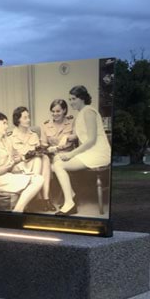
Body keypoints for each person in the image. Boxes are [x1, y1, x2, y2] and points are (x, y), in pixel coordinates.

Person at [52, 85, 111, 216]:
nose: (71, 102)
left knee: (59, 164)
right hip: (90, 151)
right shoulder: (81, 113)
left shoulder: (89, 111)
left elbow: (91, 140)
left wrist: (71, 154)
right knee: (56, 159)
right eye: (70, 99)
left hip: (98, 153)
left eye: (73, 99)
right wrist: (68, 137)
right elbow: (82, 135)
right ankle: (72, 195)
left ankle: (70, 203)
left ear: (82, 98)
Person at [0, 113, 43, 213]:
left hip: (7, 174)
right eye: (4, 123)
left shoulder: (5, 141)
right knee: (39, 179)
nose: (7, 126)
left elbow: (12, 160)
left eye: (7, 123)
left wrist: (25, 156)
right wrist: (10, 166)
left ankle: (25, 205)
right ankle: (18, 211)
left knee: (37, 163)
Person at [38, 99, 76, 212]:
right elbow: (43, 143)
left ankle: (69, 197)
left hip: (68, 155)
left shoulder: (71, 122)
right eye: (53, 111)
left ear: (64, 110)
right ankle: (72, 195)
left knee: (56, 165)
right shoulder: (45, 125)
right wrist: (46, 147)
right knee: (49, 165)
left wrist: (64, 141)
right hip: (52, 155)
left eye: (58, 111)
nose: (55, 114)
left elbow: (76, 136)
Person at [5, 106, 42, 176]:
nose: (28, 120)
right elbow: (9, 158)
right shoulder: (10, 137)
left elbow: (38, 153)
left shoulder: (34, 135)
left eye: (28, 117)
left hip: (32, 163)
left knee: (38, 160)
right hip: (18, 166)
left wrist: (22, 157)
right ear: (17, 120)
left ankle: (35, 181)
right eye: (25, 118)